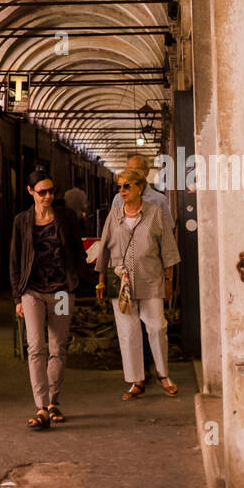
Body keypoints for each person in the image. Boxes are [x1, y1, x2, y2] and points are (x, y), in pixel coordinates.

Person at [10, 165, 85, 429]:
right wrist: (17, 297)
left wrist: (75, 283)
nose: (48, 196)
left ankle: (53, 401)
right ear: (31, 191)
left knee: (58, 347)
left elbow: (78, 252)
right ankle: (41, 406)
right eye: (42, 192)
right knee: (35, 347)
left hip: (63, 291)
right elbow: (16, 261)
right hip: (32, 291)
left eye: (51, 191)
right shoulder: (22, 221)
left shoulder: (66, 218)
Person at [95, 168, 181, 400]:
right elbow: (103, 249)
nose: (121, 190)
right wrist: (101, 282)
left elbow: (168, 250)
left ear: (140, 188)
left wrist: (168, 281)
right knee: (127, 331)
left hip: (151, 279)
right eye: (119, 186)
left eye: (127, 186)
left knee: (157, 327)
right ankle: (136, 380)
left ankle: (163, 375)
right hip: (119, 281)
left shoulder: (155, 214)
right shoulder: (113, 215)